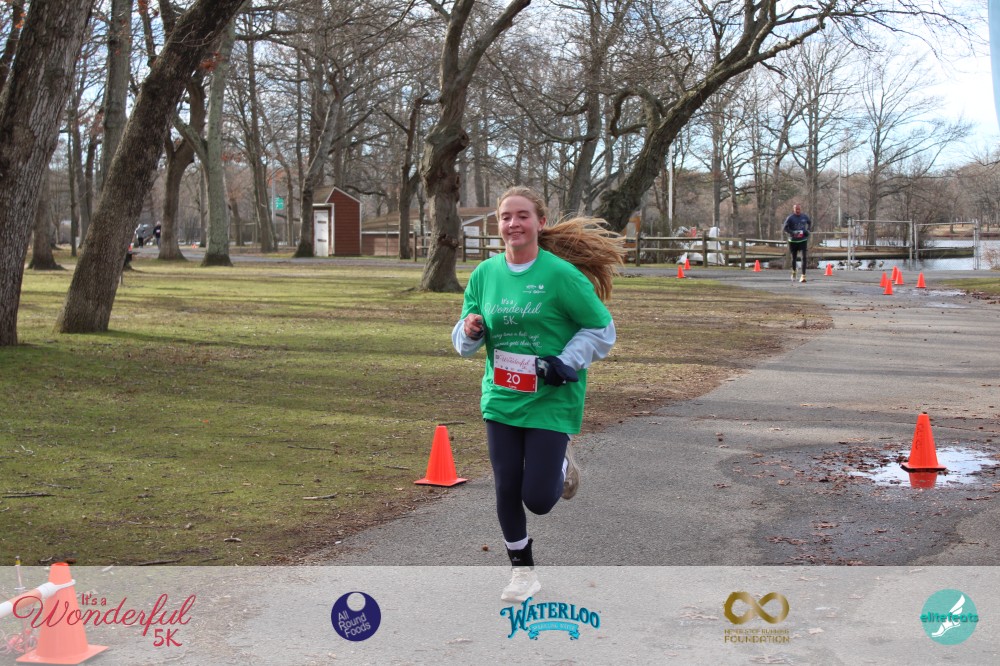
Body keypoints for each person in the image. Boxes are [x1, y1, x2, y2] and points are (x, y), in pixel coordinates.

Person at [452, 186, 624, 603]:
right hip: (501, 396)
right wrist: (469, 330)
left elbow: (602, 330)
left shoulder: (561, 275)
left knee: (539, 500)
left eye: (522, 216)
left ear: (540, 222)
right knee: (506, 487)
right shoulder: (484, 275)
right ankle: (522, 573)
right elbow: (464, 340)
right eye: (505, 217)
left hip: (551, 398)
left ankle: (561, 461)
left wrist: (565, 361)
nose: (513, 224)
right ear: (498, 224)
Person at [782, 203, 811, 282]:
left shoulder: (804, 216)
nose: (798, 211)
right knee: (794, 258)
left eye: (799, 209)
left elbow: (809, 222)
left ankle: (803, 276)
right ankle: (794, 271)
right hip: (793, 241)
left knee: (804, 257)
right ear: (793, 209)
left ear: (800, 209)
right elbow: (785, 228)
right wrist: (792, 232)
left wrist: (808, 230)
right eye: (796, 209)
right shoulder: (790, 218)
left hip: (803, 240)